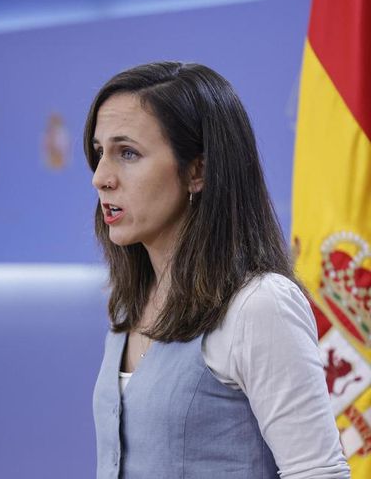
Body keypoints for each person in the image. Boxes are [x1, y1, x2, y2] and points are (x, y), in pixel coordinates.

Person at [86, 62, 350, 478]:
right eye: (100, 153)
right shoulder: (128, 309)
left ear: (198, 171)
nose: (101, 178)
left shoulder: (259, 306)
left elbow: (318, 471)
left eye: (128, 153)